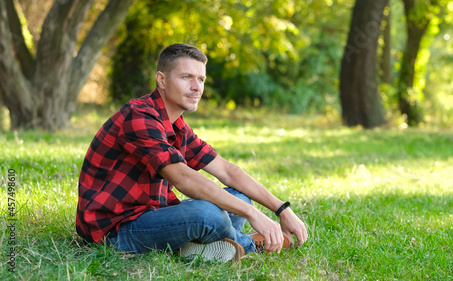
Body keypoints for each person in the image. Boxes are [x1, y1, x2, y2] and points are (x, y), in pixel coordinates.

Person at [76, 43, 308, 262]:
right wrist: (252, 214)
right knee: (208, 213)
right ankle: (246, 244)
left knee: (238, 194)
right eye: (186, 77)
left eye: (201, 79)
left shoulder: (177, 126)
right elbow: (183, 178)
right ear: (162, 80)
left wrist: (281, 209)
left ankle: (199, 247)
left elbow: (227, 170)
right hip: (115, 231)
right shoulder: (139, 116)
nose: (196, 87)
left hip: (155, 215)